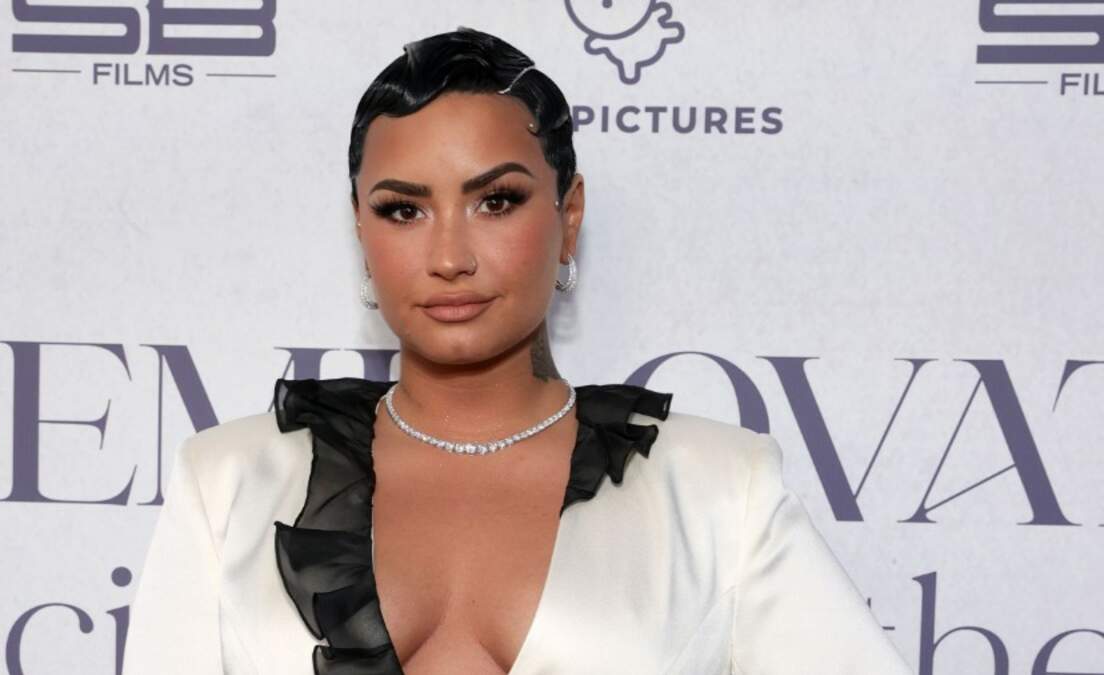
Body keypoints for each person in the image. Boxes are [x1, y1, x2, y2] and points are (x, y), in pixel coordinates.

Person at [122, 26, 914, 675]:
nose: (450, 256)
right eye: (403, 210)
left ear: (569, 217)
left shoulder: (717, 491)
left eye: (496, 200)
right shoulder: (225, 484)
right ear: (360, 228)